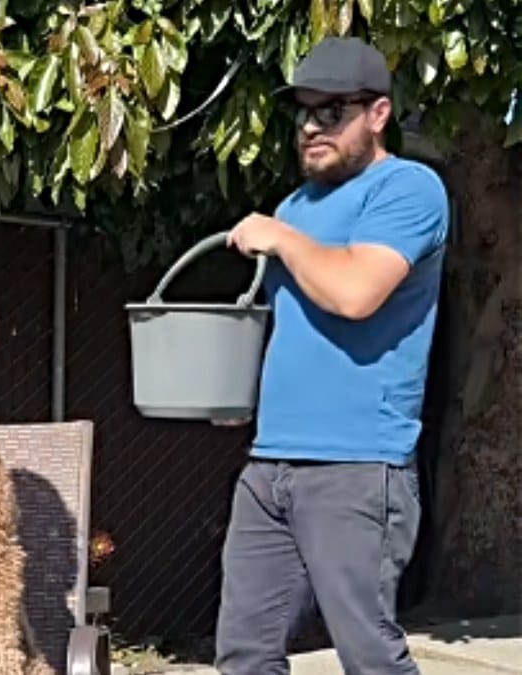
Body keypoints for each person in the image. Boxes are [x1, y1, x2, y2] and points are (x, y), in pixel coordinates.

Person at [213, 36, 450, 674]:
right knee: (244, 653)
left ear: (377, 115)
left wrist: (281, 238)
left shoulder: (408, 189)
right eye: (304, 112)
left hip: (358, 466)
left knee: (368, 653)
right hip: (270, 464)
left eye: (332, 111)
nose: (312, 126)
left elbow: (354, 292)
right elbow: (294, 322)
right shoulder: (298, 205)